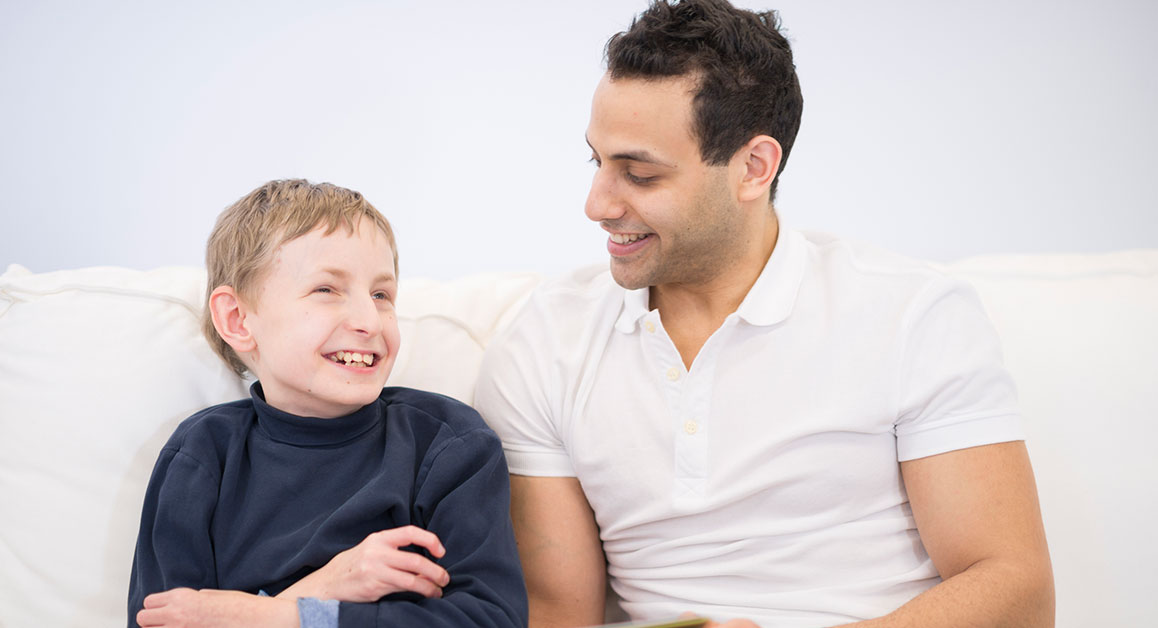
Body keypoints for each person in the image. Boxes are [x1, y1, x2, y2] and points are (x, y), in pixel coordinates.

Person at [473, 1, 1054, 626]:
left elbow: (1017, 592)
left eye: (639, 174)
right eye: (598, 161)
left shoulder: (912, 315)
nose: (597, 204)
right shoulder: (543, 342)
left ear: (754, 168)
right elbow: (559, 610)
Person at [128, 179, 527, 628]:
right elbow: (168, 620)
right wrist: (323, 590)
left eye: (381, 295)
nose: (368, 320)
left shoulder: (447, 442)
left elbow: (489, 618)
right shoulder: (201, 454)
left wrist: (265, 616)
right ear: (238, 320)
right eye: (327, 290)